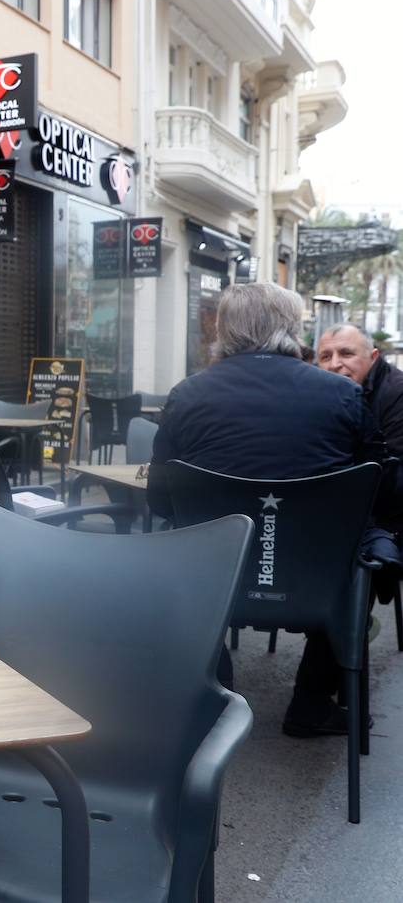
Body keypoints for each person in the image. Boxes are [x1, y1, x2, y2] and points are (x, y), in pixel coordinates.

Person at [147, 283, 374, 738]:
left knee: (174, 552)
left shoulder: (187, 396)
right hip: (317, 583)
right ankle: (311, 703)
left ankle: (216, 694)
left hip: (213, 581)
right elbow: (372, 495)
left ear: (223, 330)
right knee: (356, 563)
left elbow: (159, 499)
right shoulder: (343, 396)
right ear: (293, 329)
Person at [317, 323, 403, 533]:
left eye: (346, 354)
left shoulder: (396, 393)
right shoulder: (322, 393)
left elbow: (392, 470)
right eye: (325, 357)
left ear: (373, 357)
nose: (335, 364)